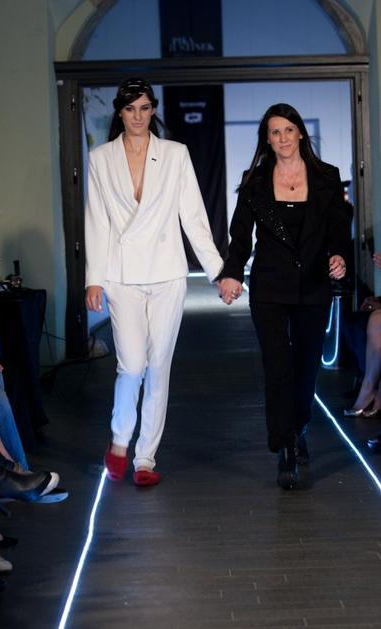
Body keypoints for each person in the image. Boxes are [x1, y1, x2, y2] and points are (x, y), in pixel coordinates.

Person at [85, 77, 223, 486]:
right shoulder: (100, 158)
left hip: (166, 272)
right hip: (121, 274)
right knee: (131, 365)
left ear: (153, 109)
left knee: (159, 365)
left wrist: (217, 271)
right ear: (120, 111)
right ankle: (119, 440)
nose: (138, 116)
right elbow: (97, 221)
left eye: (145, 108)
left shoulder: (175, 154)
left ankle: (144, 458)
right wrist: (93, 279)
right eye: (130, 109)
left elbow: (192, 216)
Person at [218, 103, 349, 489]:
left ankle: (299, 425)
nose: (283, 138)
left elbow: (339, 228)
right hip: (270, 287)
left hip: (313, 285)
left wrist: (340, 255)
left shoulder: (326, 177)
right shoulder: (255, 181)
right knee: (278, 367)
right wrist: (232, 272)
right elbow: (240, 234)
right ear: (267, 140)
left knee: (306, 366)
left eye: (288, 130)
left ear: (300, 133)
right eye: (275, 132)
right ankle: (285, 447)